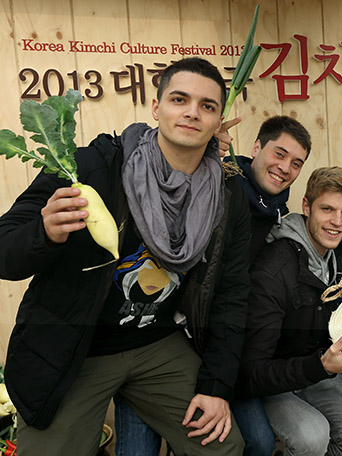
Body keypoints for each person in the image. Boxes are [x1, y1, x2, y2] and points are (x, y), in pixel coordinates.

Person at [0, 57, 249, 455]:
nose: (191, 112)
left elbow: (233, 295)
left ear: (218, 120)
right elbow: (4, 251)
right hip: (77, 345)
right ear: (156, 107)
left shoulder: (226, 198)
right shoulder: (89, 168)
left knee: (221, 446)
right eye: (179, 99)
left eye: (207, 105)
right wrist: (43, 233)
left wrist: (217, 388)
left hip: (158, 342)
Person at [114, 115, 312, 456]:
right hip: (158, 330)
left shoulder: (278, 216)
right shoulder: (214, 181)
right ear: (256, 148)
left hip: (220, 341)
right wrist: (204, 150)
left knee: (257, 442)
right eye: (279, 154)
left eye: (296, 163)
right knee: (138, 446)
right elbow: (157, 170)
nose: (285, 168)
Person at [238, 167, 342, 456]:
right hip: (273, 377)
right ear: (306, 207)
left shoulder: (338, 250)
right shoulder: (274, 270)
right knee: (312, 437)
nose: (337, 222)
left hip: (315, 365)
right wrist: (324, 366)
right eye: (327, 209)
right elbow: (251, 372)